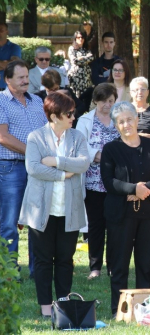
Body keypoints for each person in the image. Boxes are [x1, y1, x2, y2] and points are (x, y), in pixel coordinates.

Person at [19, 92, 90, 317]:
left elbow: (83, 163)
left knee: (65, 260)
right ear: (54, 115)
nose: (73, 117)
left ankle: (62, 304)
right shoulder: (35, 137)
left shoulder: (77, 136)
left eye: (73, 112)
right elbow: (33, 168)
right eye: (69, 113)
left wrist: (56, 161)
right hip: (41, 209)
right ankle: (45, 308)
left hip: (69, 209)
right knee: (42, 260)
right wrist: (63, 174)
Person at [100, 101, 150, 316]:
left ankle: (145, 310)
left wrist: (144, 189)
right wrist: (132, 188)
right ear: (115, 125)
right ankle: (119, 309)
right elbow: (109, 182)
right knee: (119, 264)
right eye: (121, 122)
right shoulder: (111, 149)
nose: (126, 124)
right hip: (121, 215)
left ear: (137, 119)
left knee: (145, 264)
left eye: (129, 119)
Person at [0, 60, 47, 268]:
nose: (25, 81)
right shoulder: (1, 101)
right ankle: (10, 269)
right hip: (11, 166)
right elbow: (2, 137)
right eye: (20, 77)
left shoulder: (37, 101)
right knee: (9, 221)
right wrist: (32, 152)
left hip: (37, 169)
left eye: (27, 76)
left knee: (37, 220)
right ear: (7, 79)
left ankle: (37, 268)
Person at [76, 84, 120, 280]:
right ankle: (95, 267)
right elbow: (80, 146)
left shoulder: (119, 119)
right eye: (103, 101)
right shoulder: (85, 120)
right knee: (95, 226)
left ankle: (113, 266)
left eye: (110, 101)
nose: (107, 105)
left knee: (114, 225)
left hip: (115, 182)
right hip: (93, 181)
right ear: (95, 100)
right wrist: (98, 156)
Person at [67, 31, 94, 97]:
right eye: (78, 37)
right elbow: (74, 61)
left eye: (82, 37)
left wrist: (81, 58)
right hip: (75, 78)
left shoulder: (86, 49)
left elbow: (91, 58)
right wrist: (85, 59)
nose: (80, 39)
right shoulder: (72, 49)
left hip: (86, 79)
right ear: (75, 39)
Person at [0, 23, 22, 90]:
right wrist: (5, 63)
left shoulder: (14, 47)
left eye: (1, 30)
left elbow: (14, 65)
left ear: (7, 32)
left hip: (8, 88)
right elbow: (11, 64)